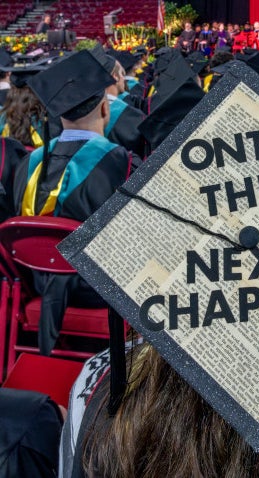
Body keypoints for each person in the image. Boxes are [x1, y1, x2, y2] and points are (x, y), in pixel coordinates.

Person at [10, 50, 142, 355]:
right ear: (105, 109)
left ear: (59, 114)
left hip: (37, 282)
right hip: (97, 290)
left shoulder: (26, 164)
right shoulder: (121, 164)